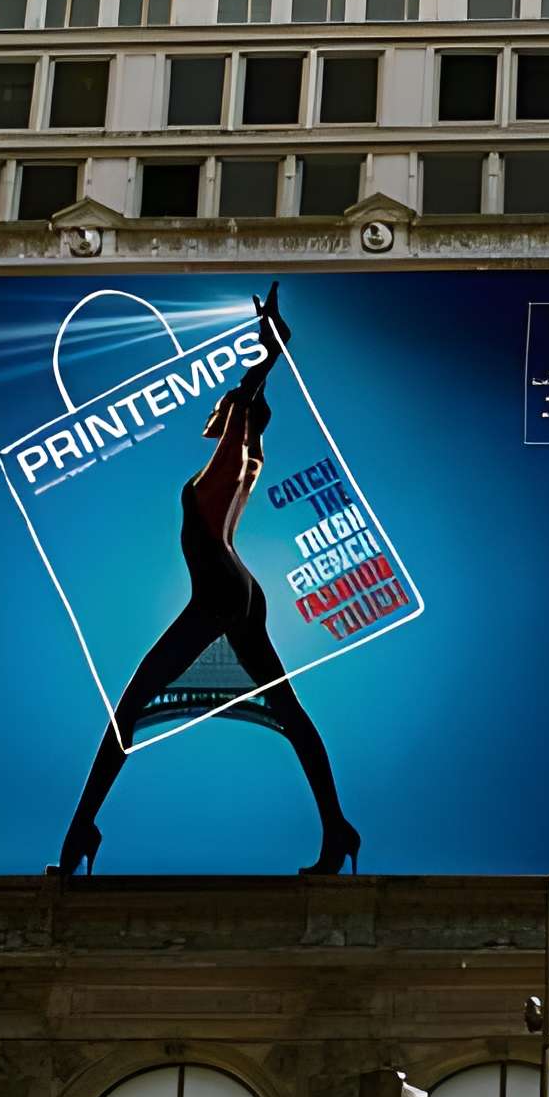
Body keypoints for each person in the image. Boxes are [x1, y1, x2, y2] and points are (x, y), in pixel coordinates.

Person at [52, 286, 360, 878]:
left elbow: (246, 403)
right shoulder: (248, 463)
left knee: (132, 705)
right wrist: (266, 362)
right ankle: (336, 826)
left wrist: (268, 352)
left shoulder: (227, 459)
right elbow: (250, 412)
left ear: (232, 421)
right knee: (289, 712)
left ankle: (81, 826)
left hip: (221, 587)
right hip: (236, 587)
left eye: (221, 413)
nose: (212, 417)